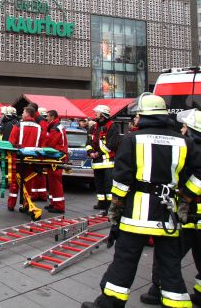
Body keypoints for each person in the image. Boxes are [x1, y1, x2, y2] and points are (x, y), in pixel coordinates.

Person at [81, 94, 201, 308]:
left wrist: (115, 208)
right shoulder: (183, 142)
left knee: (125, 260)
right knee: (170, 264)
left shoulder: (132, 140)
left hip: (136, 215)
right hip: (168, 215)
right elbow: (198, 174)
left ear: (143, 115)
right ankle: (177, 304)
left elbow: (121, 180)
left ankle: (110, 304)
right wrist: (185, 198)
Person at [140, 109, 201, 306]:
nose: (182, 129)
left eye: (185, 127)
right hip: (194, 215)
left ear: (193, 132)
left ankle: (158, 290)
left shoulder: (192, 152)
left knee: (168, 256)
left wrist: (185, 197)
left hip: (190, 216)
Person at [7, 106, 43, 211]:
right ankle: (26, 205)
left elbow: (11, 142)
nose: (22, 114)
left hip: (18, 158)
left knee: (15, 183)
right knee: (28, 183)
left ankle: (11, 205)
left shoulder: (18, 125)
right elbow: (41, 144)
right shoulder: (39, 127)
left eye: (23, 112)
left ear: (27, 114)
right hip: (32, 159)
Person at [87, 104, 120, 210]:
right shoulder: (93, 127)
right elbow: (88, 142)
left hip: (108, 162)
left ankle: (110, 204)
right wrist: (90, 152)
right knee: (99, 183)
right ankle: (101, 202)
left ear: (102, 114)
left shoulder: (112, 126)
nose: (95, 114)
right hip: (97, 162)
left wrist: (98, 153)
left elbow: (112, 144)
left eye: (96, 112)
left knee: (108, 184)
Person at [43, 110, 68, 214]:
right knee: (52, 182)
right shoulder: (56, 127)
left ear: (52, 117)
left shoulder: (55, 129)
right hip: (56, 157)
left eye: (47, 117)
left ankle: (59, 206)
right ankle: (53, 203)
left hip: (56, 157)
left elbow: (50, 144)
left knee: (56, 182)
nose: (46, 118)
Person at [29, 106, 49, 201]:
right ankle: (42, 194)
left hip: (39, 151)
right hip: (43, 151)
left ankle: (35, 194)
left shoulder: (40, 122)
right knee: (41, 174)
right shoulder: (44, 122)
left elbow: (41, 137)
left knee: (35, 174)